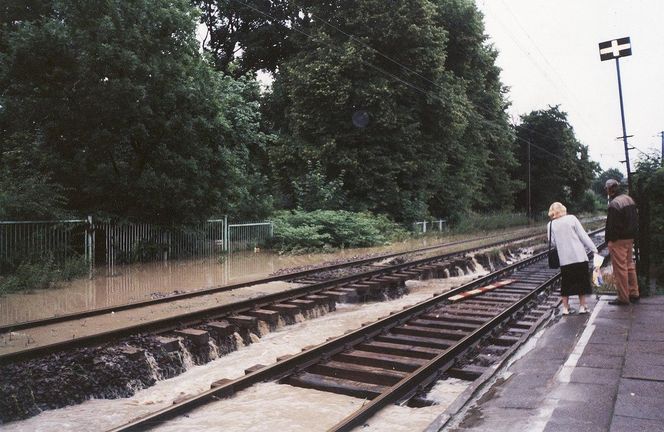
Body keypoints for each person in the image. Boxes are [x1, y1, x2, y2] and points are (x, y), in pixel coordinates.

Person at [548, 202, 598, 315]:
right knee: (582, 282)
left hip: (564, 260)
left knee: (566, 283)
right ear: (563, 210)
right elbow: (583, 235)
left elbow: (552, 242)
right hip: (579, 256)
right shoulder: (571, 218)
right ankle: (582, 307)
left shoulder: (550, 225)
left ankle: (565, 308)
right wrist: (594, 249)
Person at [604, 179, 639, 305]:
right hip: (630, 238)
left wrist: (610, 240)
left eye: (606, 189)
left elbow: (612, 226)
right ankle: (634, 293)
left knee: (620, 270)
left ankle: (623, 298)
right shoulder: (629, 199)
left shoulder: (614, 203)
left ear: (609, 189)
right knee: (630, 266)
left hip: (618, 240)